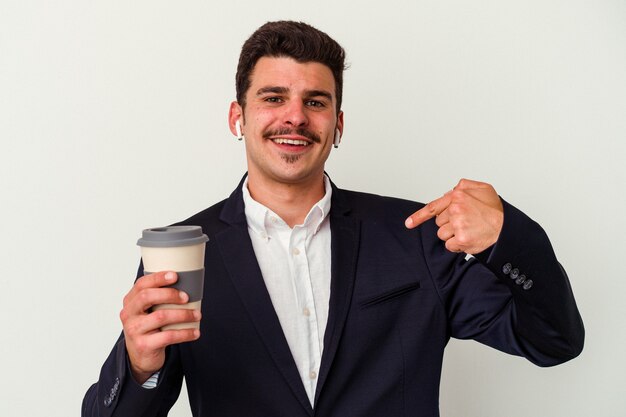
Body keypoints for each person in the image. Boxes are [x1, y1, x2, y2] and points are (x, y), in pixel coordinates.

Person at [82, 21, 584, 417]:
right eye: (274, 97)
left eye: (315, 102)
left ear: (337, 125)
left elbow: (553, 341)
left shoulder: (416, 236)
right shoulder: (182, 254)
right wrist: (139, 364)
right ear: (238, 118)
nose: (295, 117)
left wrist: (511, 239)